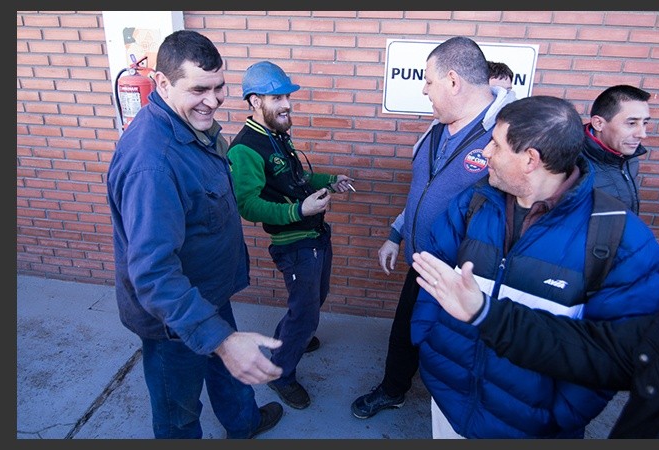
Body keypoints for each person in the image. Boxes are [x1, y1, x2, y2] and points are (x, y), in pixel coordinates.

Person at [409, 95, 659, 438]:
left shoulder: (621, 239)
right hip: (450, 401)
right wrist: (428, 344)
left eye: (496, 144)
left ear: (530, 159)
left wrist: (560, 414)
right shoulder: (472, 203)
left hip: (532, 426)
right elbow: (433, 277)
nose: (485, 152)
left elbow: (618, 351)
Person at [411, 202, 659, 438]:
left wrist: (560, 416)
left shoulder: (619, 234)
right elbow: (600, 350)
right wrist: (481, 313)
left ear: (530, 157)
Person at [106, 30, 284, 439]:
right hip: (173, 317)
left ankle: (244, 423)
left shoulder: (190, 126)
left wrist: (221, 338)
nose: (214, 99)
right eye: (199, 89)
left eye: (219, 86)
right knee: (179, 412)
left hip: (208, 292)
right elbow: (153, 274)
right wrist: (220, 339)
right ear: (162, 83)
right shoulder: (152, 163)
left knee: (229, 370)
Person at [350, 36, 517, 419]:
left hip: (468, 276)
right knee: (404, 332)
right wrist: (396, 234)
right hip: (423, 264)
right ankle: (393, 390)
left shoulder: (504, 136)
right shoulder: (436, 128)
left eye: (428, 81)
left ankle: (460, 413)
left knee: (460, 348)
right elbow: (421, 193)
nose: (424, 90)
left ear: (453, 81)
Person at [227, 61, 355, 411]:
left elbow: (296, 179)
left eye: (287, 96)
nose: (287, 104)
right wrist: (299, 211)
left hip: (314, 234)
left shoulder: (277, 135)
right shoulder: (245, 148)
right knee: (305, 311)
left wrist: (330, 181)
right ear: (255, 101)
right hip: (294, 244)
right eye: (277, 97)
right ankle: (281, 374)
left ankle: (293, 336)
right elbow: (247, 205)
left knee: (313, 300)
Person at [583, 84, 652, 214]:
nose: (642, 134)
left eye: (645, 123)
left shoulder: (628, 155)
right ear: (598, 123)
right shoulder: (571, 163)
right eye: (632, 123)